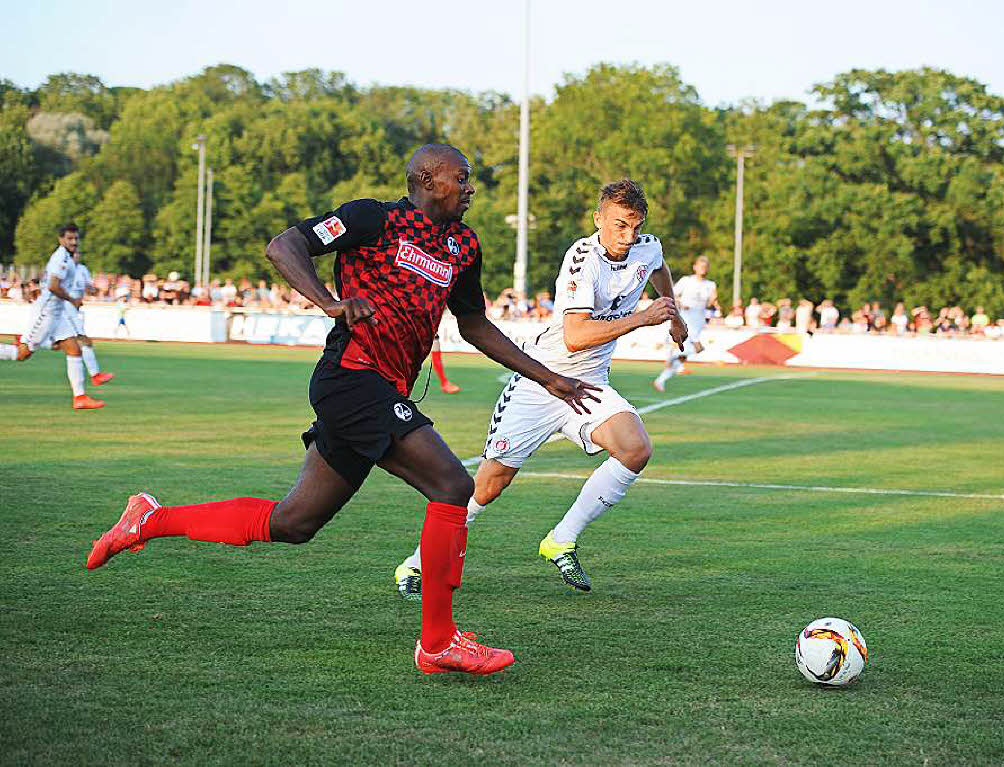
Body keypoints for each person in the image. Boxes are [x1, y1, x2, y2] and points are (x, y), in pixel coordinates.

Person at [85, 144, 598, 676]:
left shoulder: (463, 245)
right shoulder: (372, 218)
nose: (470, 188)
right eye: (461, 178)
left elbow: (473, 324)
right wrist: (330, 301)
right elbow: (284, 246)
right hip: (350, 378)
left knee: (294, 521)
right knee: (452, 485)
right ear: (427, 178)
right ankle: (438, 643)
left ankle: (149, 520)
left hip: (382, 390)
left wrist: (548, 376)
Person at [395, 179, 688, 596]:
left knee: (635, 447)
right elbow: (575, 336)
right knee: (488, 485)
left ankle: (561, 540)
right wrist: (643, 318)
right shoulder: (581, 259)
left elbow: (658, 266)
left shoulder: (647, 245)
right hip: (543, 380)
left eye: (635, 227)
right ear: (598, 218)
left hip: (587, 385)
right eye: (620, 225)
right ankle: (414, 564)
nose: (628, 237)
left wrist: (673, 314)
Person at [0, 224, 105, 409]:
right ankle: (79, 396)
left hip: (57, 313)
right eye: (70, 238)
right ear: (61, 239)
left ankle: (79, 398)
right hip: (46, 313)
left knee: (74, 349)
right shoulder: (61, 258)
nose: (74, 242)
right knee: (22, 354)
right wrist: (72, 300)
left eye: (76, 238)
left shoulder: (68, 258)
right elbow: (53, 286)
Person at [653, 254, 715, 390]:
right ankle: (673, 356)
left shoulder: (710, 285)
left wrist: (713, 302)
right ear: (695, 267)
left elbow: (711, 301)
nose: (703, 269)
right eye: (701, 266)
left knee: (683, 356)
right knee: (698, 348)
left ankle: (661, 380)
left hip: (699, 319)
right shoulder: (687, 281)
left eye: (705, 267)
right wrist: (680, 303)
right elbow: (672, 294)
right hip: (687, 318)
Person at [66, 249, 114, 385]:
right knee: (84, 341)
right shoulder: (62, 270)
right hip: (66, 308)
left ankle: (25, 341)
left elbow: (89, 287)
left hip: (76, 309)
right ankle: (95, 375)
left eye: (79, 254)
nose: (78, 256)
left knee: (61, 342)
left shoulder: (82, 269)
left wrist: (98, 287)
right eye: (75, 254)